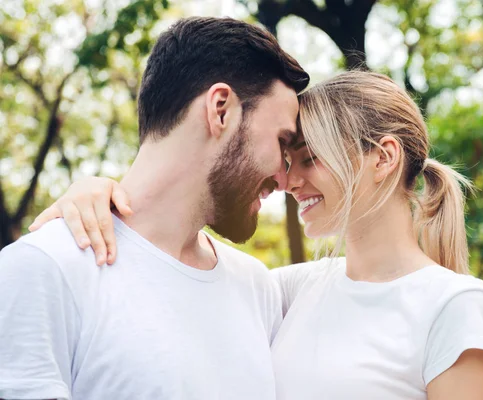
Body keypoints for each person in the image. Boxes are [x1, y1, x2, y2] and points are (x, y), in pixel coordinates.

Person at [28, 72, 483, 399]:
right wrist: (101, 191)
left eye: (310, 157)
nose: (288, 179)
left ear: (382, 158)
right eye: (288, 157)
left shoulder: (455, 305)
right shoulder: (284, 291)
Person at [0, 16, 309, 400]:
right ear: (221, 110)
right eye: (282, 141)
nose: (284, 176)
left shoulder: (257, 286)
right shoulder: (44, 269)